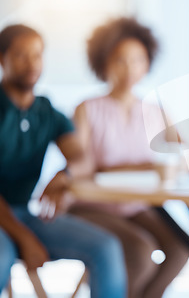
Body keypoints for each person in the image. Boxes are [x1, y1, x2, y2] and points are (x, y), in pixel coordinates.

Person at [0, 24, 127, 297]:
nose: (32, 63)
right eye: (22, 55)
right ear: (2, 59)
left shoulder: (46, 110)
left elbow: (83, 158)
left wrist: (65, 174)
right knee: (1, 259)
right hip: (4, 219)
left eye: (37, 55)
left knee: (106, 247)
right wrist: (24, 238)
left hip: (25, 213)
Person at [67, 17, 189, 298]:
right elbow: (81, 168)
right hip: (92, 206)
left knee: (181, 249)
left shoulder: (156, 110)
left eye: (138, 60)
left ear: (148, 63)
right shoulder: (87, 109)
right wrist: (144, 166)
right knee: (140, 251)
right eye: (120, 59)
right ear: (104, 62)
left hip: (136, 206)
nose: (129, 68)